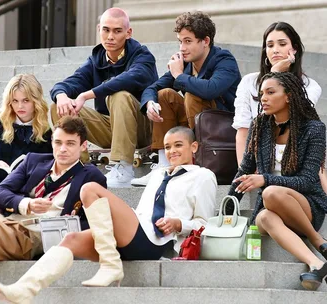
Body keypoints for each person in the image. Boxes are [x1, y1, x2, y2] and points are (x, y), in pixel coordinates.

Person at [0, 126, 217, 303]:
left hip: (156, 239)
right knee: (70, 240)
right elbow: (142, 211)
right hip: (133, 230)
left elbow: (205, 224)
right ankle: (24, 291)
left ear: (194, 147)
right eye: (167, 147)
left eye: (178, 145)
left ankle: (111, 265)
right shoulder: (157, 175)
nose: (171, 151)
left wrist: (179, 224)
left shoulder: (203, 176)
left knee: (89, 189)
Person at [0, 116, 106, 263]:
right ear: (51, 142)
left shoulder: (91, 176)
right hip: (5, 220)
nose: (62, 149)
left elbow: (95, 223)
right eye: (58, 142)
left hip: (29, 237)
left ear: (83, 146)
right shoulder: (33, 161)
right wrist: (26, 203)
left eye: (70, 143)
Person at [228, 72, 327, 291]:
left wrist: (265, 179)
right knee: (263, 215)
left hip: (305, 206)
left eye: (271, 92)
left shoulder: (314, 129)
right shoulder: (259, 126)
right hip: (270, 207)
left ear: (289, 96)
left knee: (271, 192)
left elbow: (309, 181)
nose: (263, 98)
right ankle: (317, 262)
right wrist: (226, 208)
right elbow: (244, 171)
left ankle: (316, 238)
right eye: (262, 93)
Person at [50, 7, 158, 187]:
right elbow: (70, 82)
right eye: (106, 30)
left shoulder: (142, 56)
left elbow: (127, 79)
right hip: (111, 128)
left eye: (117, 31)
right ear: (99, 29)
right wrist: (61, 95)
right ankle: (77, 167)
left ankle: (123, 167)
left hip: (143, 127)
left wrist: (87, 95)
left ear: (128, 33)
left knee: (119, 95)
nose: (110, 36)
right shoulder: (96, 60)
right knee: (59, 107)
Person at [131, 11, 241, 186]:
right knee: (164, 95)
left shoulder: (224, 60)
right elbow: (153, 87)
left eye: (188, 41)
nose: (182, 48)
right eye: (180, 41)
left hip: (220, 131)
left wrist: (179, 75)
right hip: (194, 126)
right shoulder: (186, 64)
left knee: (192, 95)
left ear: (205, 41)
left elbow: (211, 90)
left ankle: (195, 160)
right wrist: (150, 103)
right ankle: (163, 165)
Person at [233, 22, 322, 165]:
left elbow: (294, 118)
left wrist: (275, 74)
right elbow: (243, 130)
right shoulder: (248, 82)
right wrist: (243, 170)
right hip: (257, 161)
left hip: (294, 161)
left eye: (282, 44)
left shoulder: (309, 86)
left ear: (295, 49)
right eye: (270, 45)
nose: (275, 50)